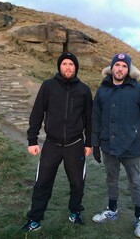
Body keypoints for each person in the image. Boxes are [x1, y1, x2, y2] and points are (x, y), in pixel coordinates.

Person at [21, 52, 93, 232]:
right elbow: (37, 113)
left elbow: (90, 119)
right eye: (64, 64)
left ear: (76, 67)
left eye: (71, 64)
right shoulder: (48, 86)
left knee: (77, 183)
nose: (68, 67)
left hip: (75, 145)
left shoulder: (84, 90)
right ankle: (35, 219)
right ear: (59, 67)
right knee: (42, 183)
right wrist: (32, 140)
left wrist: (89, 143)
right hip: (51, 144)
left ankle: (75, 212)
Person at [91, 53, 140, 238]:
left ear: (128, 69)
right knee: (111, 179)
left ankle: (139, 217)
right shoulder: (103, 89)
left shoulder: (138, 89)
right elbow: (95, 118)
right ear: (111, 68)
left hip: (132, 146)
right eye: (117, 65)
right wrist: (94, 143)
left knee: (136, 182)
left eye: (124, 66)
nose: (120, 69)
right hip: (109, 146)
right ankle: (112, 210)